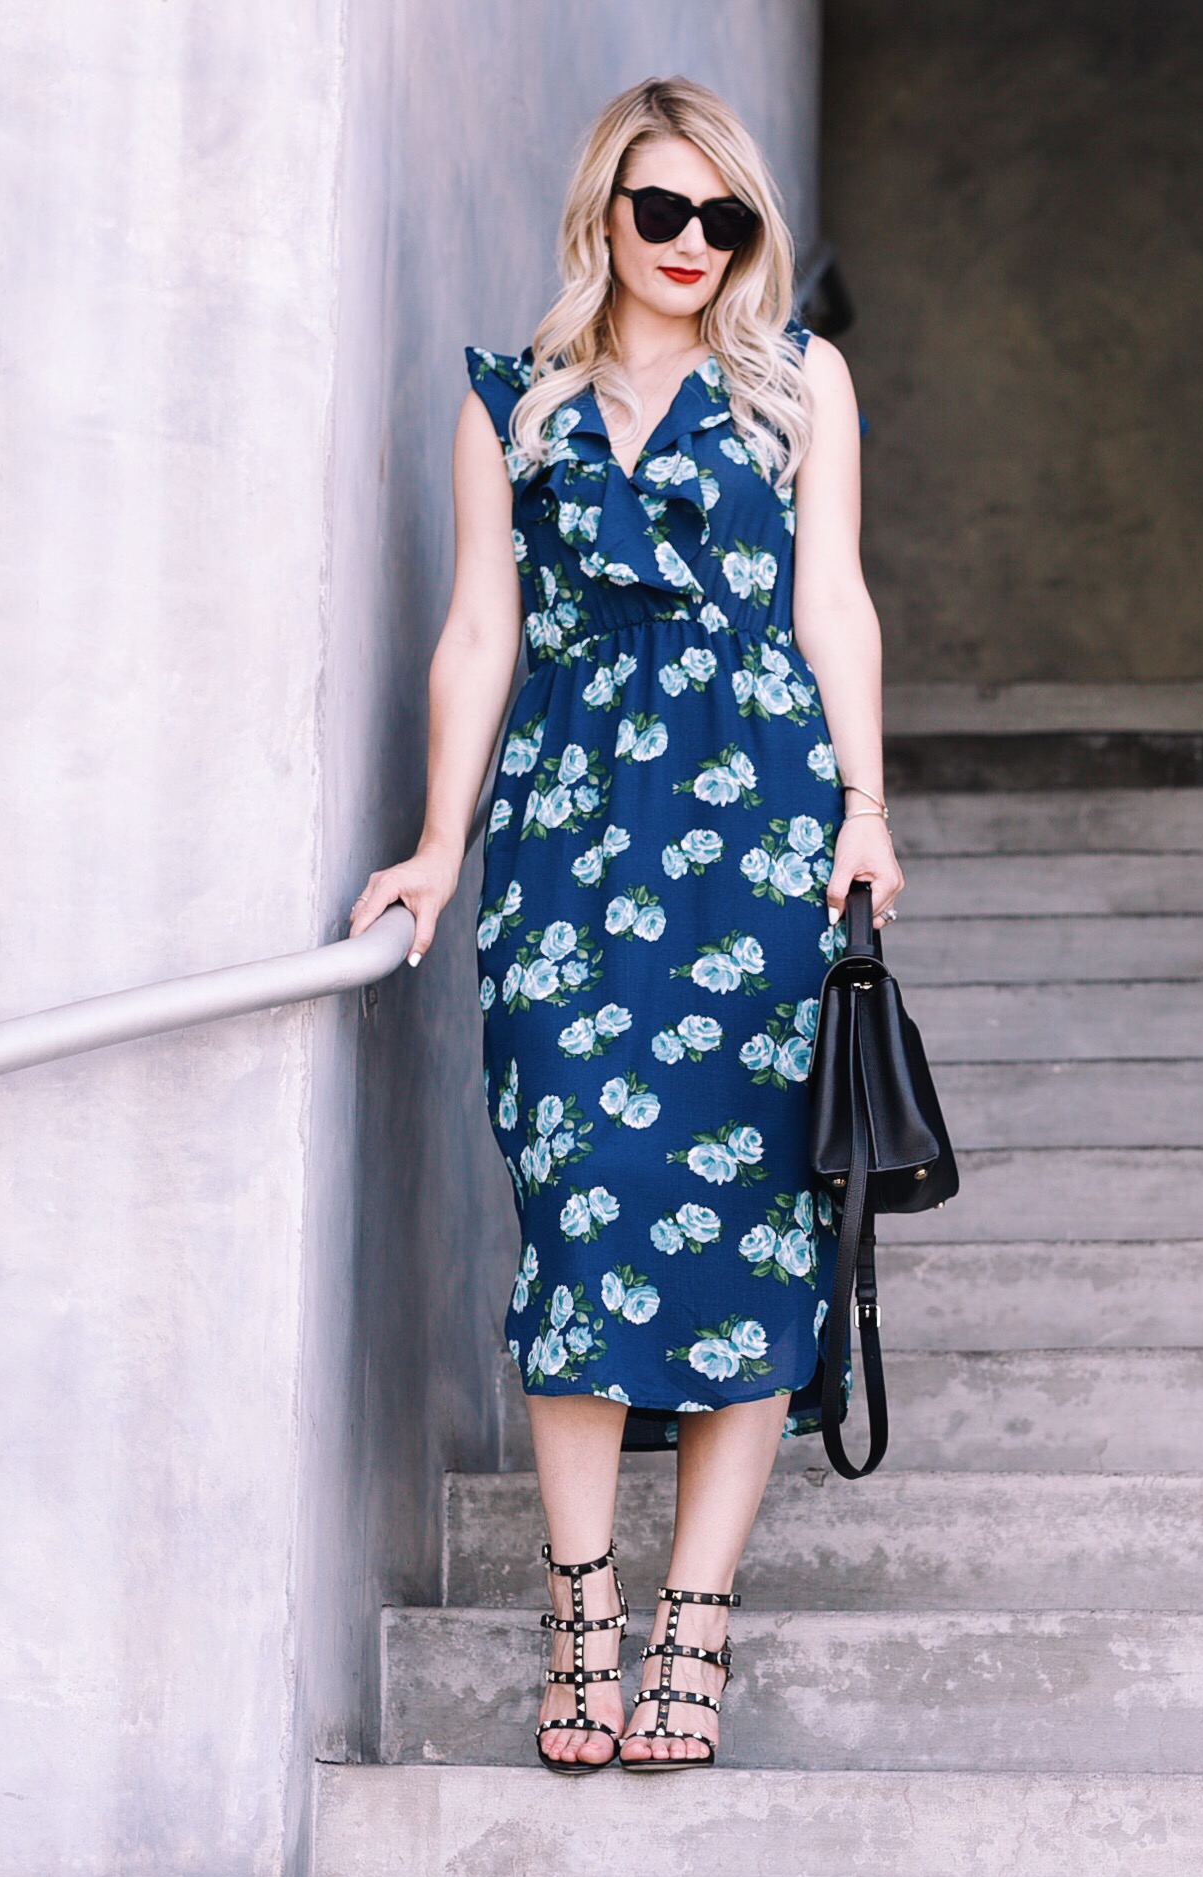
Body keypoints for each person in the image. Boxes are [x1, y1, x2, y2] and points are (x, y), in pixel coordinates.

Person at [349, 76, 901, 1772]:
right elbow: (474, 639)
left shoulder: (799, 383)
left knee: (752, 1231)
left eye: (723, 219)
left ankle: (693, 1635)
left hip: (756, 832)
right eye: (661, 211)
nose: (690, 245)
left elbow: (834, 607)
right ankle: (580, 1609)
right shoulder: (514, 408)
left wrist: (867, 809)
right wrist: (438, 849)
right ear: (604, 211)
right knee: (582, 1215)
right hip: (572, 844)